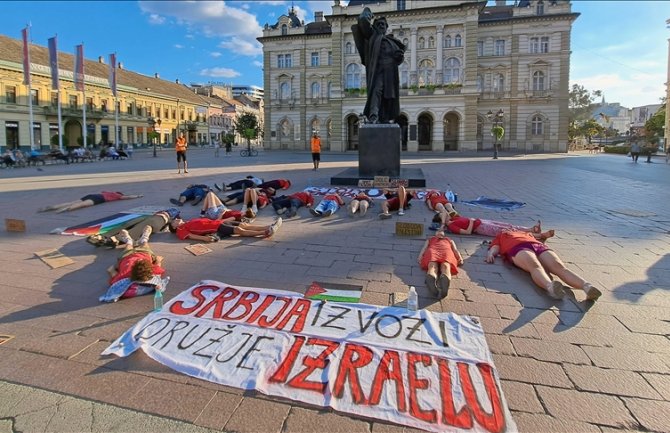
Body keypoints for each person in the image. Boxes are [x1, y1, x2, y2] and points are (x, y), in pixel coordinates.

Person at [486, 229, 602, 301]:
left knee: (559, 267)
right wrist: (491, 253)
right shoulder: (501, 235)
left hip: (537, 246)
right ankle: (550, 286)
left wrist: (547, 234)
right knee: (535, 266)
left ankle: (587, 287)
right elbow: (496, 246)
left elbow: (541, 236)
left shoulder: (526, 233)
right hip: (517, 248)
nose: (510, 227)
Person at [351, 7, 405, 124]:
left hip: (390, 71)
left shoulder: (393, 42)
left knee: (388, 95)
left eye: (384, 25)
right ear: (375, 27)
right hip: (378, 70)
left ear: (386, 28)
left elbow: (399, 58)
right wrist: (368, 13)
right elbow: (362, 21)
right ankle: (373, 116)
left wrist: (399, 57)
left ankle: (384, 117)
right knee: (376, 91)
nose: (381, 26)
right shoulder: (372, 36)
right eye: (379, 24)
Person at [87, 208, 181, 248]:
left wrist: (171, 222)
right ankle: (102, 236)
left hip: (159, 220)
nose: (179, 221)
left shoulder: (173, 217)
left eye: (179, 222)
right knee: (128, 223)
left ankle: (115, 240)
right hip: (152, 217)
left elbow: (175, 221)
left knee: (142, 226)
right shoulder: (171, 215)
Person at [417, 229, 463, 298]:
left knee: (446, 265)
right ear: (435, 234)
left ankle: (445, 280)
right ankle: (431, 278)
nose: (440, 233)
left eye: (441, 232)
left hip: (446, 251)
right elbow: (424, 248)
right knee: (432, 265)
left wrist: (460, 257)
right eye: (438, 232)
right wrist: (420, 255)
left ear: (444, 234)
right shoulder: (430, 239)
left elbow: (455, 250)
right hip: (433, 250)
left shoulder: (449, 240)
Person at [444, 214, 555, 241]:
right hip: (481, 228)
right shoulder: (452, 225)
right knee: (509, 231)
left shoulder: (454, 218)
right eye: (443, 215)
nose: (447, 213)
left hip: (483, 222)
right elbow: (467, 232)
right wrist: (472, 222)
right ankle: (540, 235)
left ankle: (531, 229)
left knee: (509, 226)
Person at [169, 216, 283, 241]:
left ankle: (269, 227)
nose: (177, 219)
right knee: (239, 231)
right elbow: (192, 236)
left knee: (242, 225)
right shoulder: (180, 230)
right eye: (174, 221)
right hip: (216, 227)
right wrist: (205, 239)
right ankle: (265, 233)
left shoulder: (188, 221)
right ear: (174, 226)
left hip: (218, 222)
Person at [38, 191, 143, 213]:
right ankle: (63, 210)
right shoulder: (118, 196)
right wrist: (137, 195)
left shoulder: (108, 192)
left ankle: (52, 207)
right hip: (98, 199)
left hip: (93, 195)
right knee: (82, 205)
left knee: (72, 201)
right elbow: (128, 197)